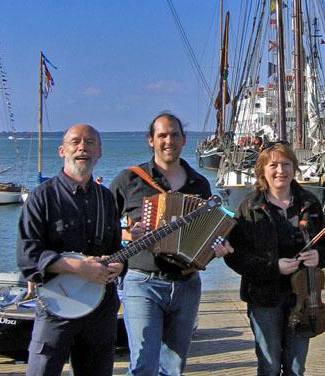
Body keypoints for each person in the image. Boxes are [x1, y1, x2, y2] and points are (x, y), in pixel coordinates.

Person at [110, 112, 233, 376]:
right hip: (143, 281)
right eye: (162, 135)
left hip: (186, 283)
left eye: (174, 135)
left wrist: (217, 248)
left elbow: (207, 232)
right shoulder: (129, 180)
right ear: (151, 140)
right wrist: (127, 233)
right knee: (143, 363)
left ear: (184, 140)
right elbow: (104, 225)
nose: (169, 141)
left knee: (174, 366)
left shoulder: (198, 183)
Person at [17, 124, 123, 376]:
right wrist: (75, 266)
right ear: (62, 150)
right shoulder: (42, 197)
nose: (82, 147)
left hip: (100, 308)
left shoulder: (106, 198)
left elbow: (116, 248)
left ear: (99, 152)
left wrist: (119, 265)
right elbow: (27, 255)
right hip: (56, 306)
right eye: (75, 142)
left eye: (90, 142)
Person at [224, 143, 325, 376]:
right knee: (270, 365)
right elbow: (235, 256)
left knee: (296, 367)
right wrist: (274, 267)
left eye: (286, 164)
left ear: (294, 168)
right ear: (262, 171)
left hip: (304, 297)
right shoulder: (249, 207)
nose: (280, 170)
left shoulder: (310, 203)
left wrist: (319, 256)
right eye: (273, 165)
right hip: (264, 298)